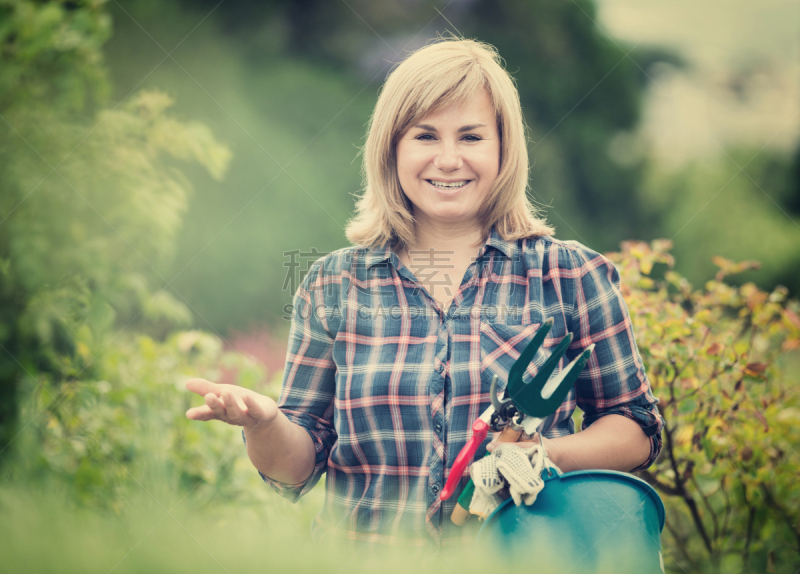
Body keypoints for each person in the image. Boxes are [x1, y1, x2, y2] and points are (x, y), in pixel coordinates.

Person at [185, 38, 664, 547]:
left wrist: (544, 454)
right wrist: (264, 424)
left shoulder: (570, 275)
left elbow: (636, 426)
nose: (449, 159)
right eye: (426, 136)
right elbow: (295, 471)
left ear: (504, 148)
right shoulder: (333, 285)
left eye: (472, 136)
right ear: (392, 149)